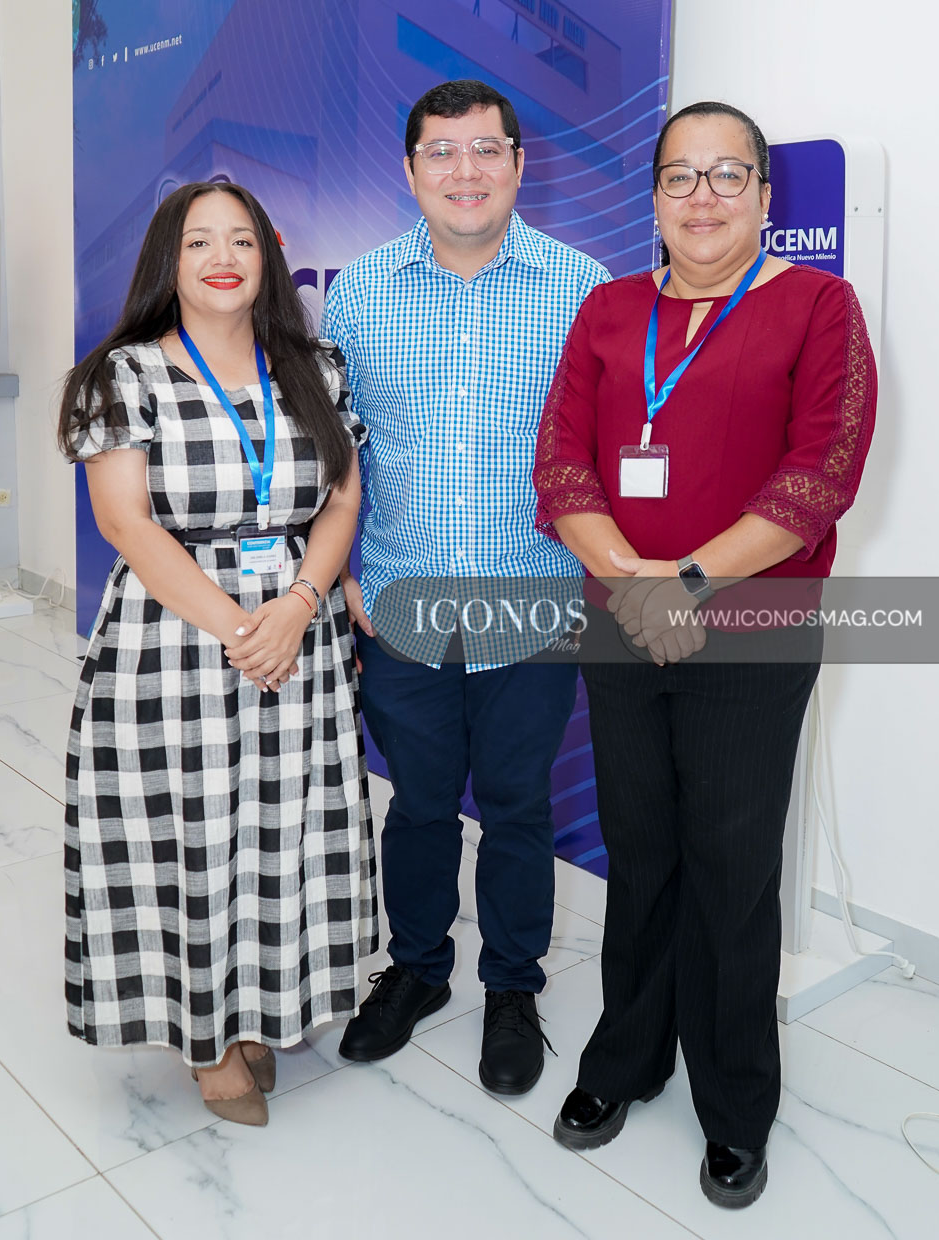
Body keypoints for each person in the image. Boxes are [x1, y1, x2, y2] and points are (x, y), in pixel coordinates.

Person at [533, 101, 877, 1206]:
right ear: (653, 197)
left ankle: (734, 1102)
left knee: (730, 868)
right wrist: (634, 585)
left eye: (728, 174)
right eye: (680, 175)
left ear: (765, 197)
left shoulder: (817, 305)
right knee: (638, 849)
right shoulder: (607, 309)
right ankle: (625, 1058)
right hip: (621, 625)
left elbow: (819, 473)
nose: (703, 195)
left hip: (750, 632)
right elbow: (562, 465)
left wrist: (683, 583)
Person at [59, 181, 377, 1127]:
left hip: (296, 624)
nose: (223, 258)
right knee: (188, 838)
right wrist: (246, 629)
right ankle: (205, 1038)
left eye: (241, 239)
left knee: (281, 830)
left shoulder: (314, 367)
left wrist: (300, 605)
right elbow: (126, 523)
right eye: (199, 241)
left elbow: (343, 499)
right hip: (178, 635)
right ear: (170, 259)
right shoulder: (123, 375)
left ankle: (263, 1008)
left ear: (268, 257)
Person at [322, 79, 609, 1094]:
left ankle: (512, 987)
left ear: (518, 163)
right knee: (418, 805)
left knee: (519, 808)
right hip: (401, 598)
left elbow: (602, 448)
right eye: (441, 152)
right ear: (409, 171)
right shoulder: (359, 291)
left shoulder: (581, 287)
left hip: (533, 599)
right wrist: (344, 574)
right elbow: (336, 447)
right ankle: (416, 968)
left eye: (485, 149)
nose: (465, 171)